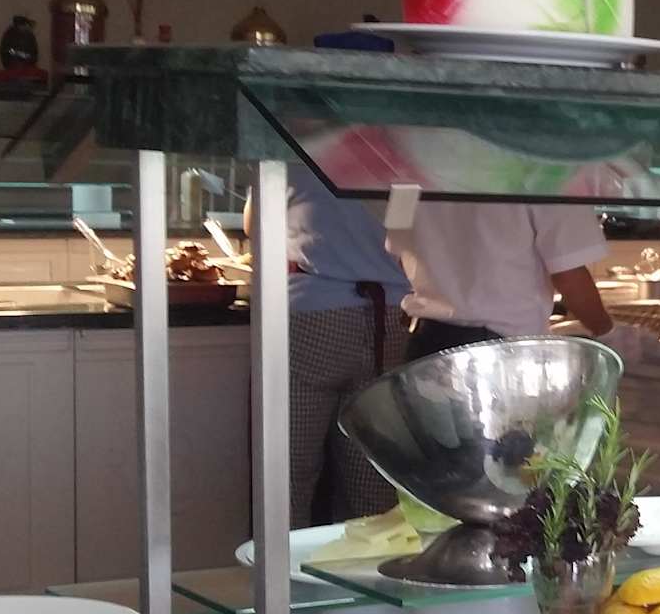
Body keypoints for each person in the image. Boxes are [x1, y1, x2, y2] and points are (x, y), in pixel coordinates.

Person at [249, 179, 413, 525]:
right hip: (392, 318)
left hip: (312, 313)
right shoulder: (397, 160)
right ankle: (367, 556)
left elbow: (255, 225)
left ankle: (282, 558)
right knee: (373, 475)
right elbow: (404, 234)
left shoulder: (294, 158)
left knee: (287, 470)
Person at [391, 203, 617, 360]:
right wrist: (607, 331)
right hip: (503, 357)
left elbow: (400, 252)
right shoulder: (548, 170)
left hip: (425, 342)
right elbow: (568, 276)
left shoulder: (408, 169)